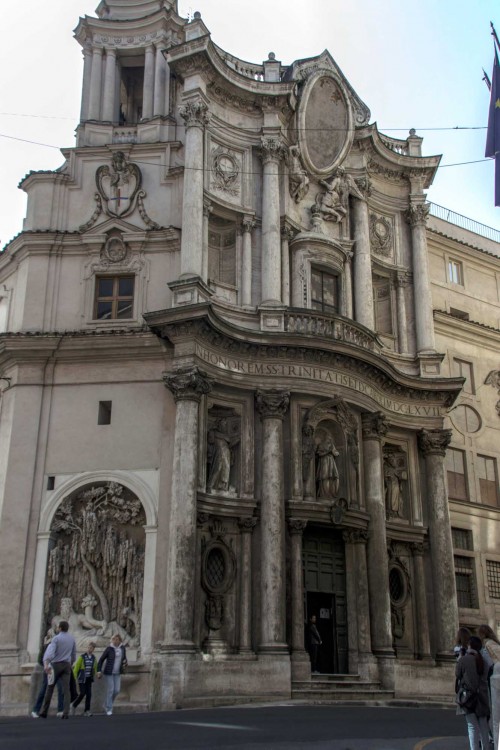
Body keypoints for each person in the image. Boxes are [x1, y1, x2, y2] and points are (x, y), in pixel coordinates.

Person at [455, 635, 491, 750]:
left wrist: (460, 656)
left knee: (472, 727)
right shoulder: (484, 660)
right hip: (482, 696)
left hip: (468, 697)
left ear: (469, 645)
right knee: (483, 726)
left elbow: (458, 674)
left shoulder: (464, 659)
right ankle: (486, 747)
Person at [38, 620, 76, 719]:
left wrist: (46, 663)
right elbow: (73, 654)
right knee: (66, 689)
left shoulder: (56, 638)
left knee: (50, 687)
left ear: (60, 628)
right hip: (67, 665)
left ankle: (44, 711)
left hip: (55, 664)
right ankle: (66, 712)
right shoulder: (72, 639)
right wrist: (71, 663)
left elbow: (50, 652)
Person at [31, 627, 65, 718]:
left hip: (56, 669)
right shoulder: (46, 645)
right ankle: (36, 710)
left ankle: (60, 710)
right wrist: (47, 665)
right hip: (49, 669)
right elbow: (40, 659)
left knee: (60, 688)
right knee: (44, 689)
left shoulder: (58, 644)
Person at [97, 634, 127, 716]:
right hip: (109, 672)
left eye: (117, 639)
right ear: (112, 640)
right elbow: (101, 660)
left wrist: (124, 664)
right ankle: (109, 708)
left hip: (117, 672)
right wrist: (99, 671)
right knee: (111, 690)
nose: (115, 641)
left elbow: (124, 658)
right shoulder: (109, 649)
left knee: (117, 690)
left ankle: (106, 704)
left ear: (119, 640)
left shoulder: (122, 648)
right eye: (114, 639)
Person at [71, 641, 97, 716]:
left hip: (89, 678)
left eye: (91, 648)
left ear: (93, 649)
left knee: (89, 694)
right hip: (82, 678)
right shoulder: (82, 657)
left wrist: (97, 673)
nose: (89, 649)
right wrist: (74, 677)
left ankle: (87, 710)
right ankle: (74, 705)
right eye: (89, 647)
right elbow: (76, 668)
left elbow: (95, 667)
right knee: (82, 693)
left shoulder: (93, 658)